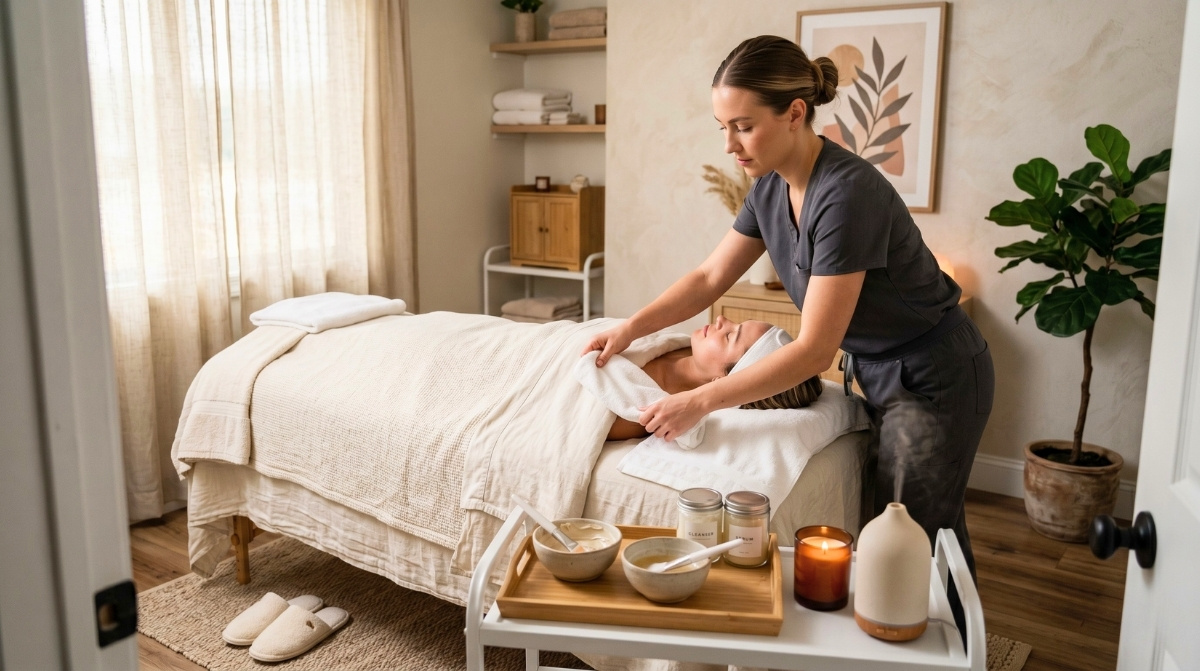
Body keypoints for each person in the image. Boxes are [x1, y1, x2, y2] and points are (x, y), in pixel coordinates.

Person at [581, 35, 995, 593]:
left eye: (743, 126)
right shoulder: (769, 188)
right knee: (891, 536)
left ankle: (952, 647)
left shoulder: (847, 195)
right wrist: (629, 328)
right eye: (722, 127)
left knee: (916, 541)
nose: (729, 144)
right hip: (876, 370)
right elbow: (707, 279)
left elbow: (814, 351)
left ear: (795, 113)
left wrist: (698, 401)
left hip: (934, 374)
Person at [605, 315, 824, 440]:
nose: (721, 319)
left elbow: (579, 423)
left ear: (723, 382)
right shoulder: (669, 344)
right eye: (736, 323)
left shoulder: (646, 407)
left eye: (729, 336)